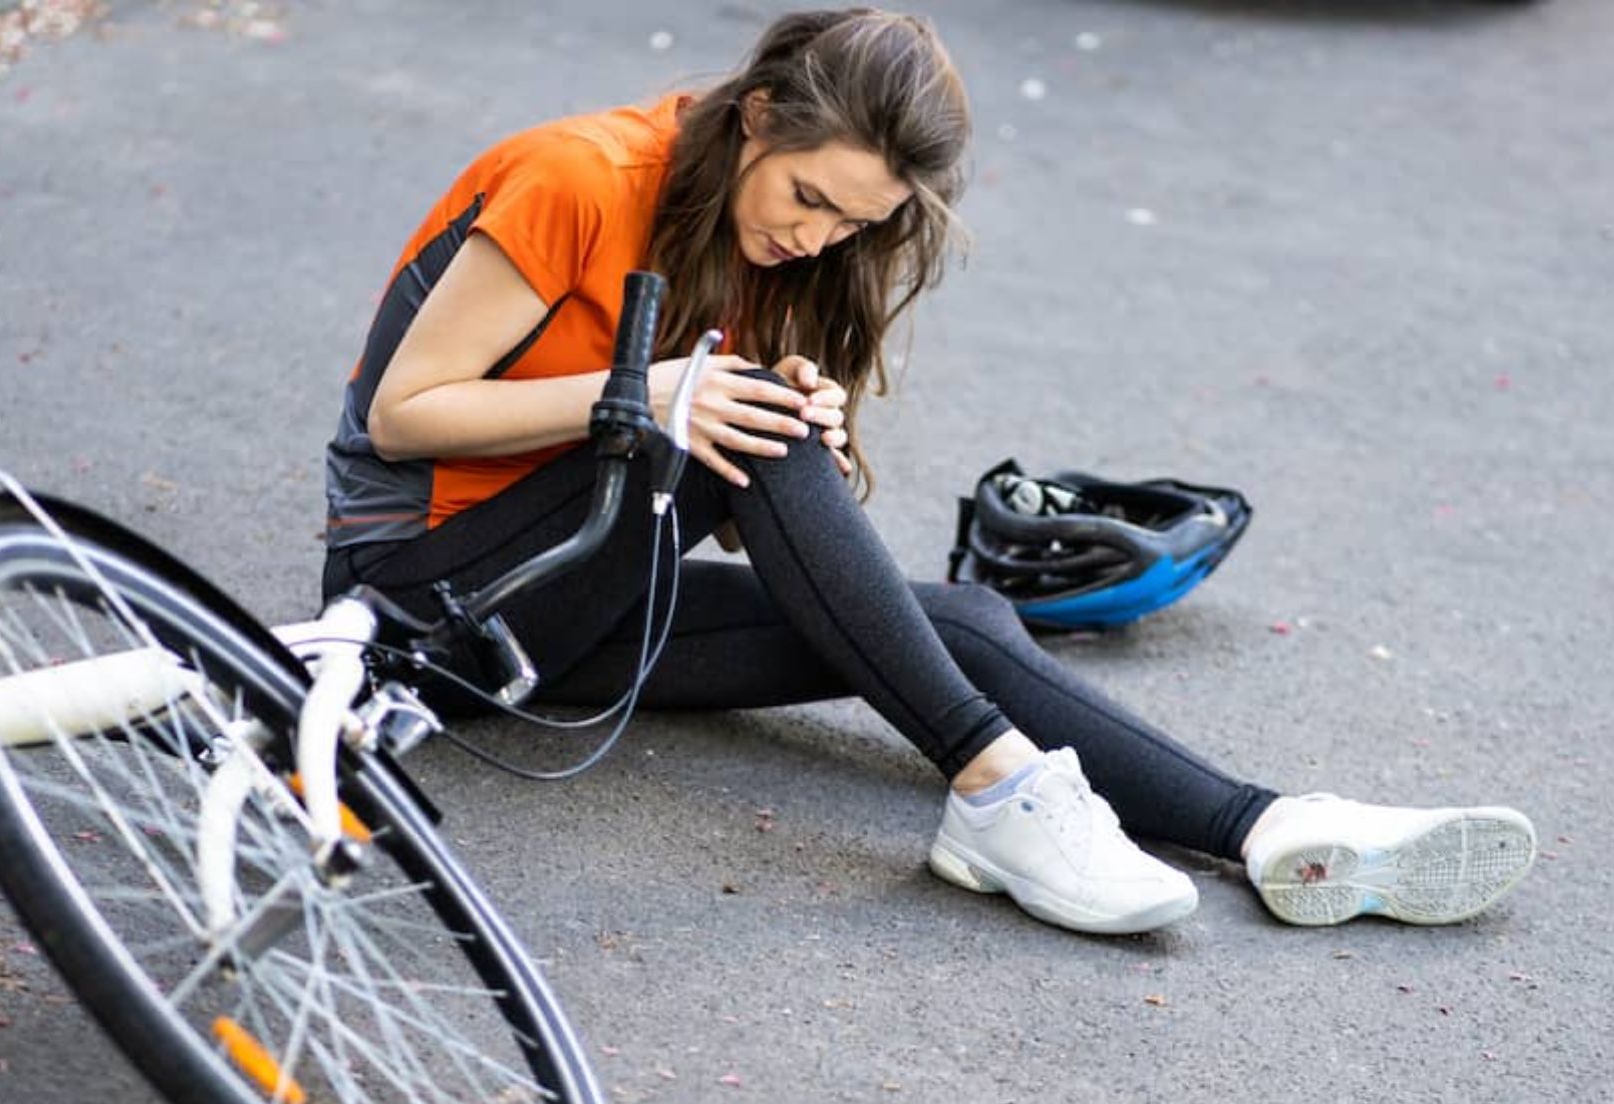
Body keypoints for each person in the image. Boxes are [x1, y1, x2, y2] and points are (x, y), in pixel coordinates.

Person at [320, 8, 1535, 935]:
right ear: (752, 114)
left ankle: (1267, 827)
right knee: (738, 429)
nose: (815, 238)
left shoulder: (765, 235)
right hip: (422, 604)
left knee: (956, 615)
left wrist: (783, 409)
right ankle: (999, 789)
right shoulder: (578, 177)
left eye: (851, 225)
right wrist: (662, 398)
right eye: (807, 198)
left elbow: (719, 498)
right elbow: (404, 413)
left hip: (574, 615)